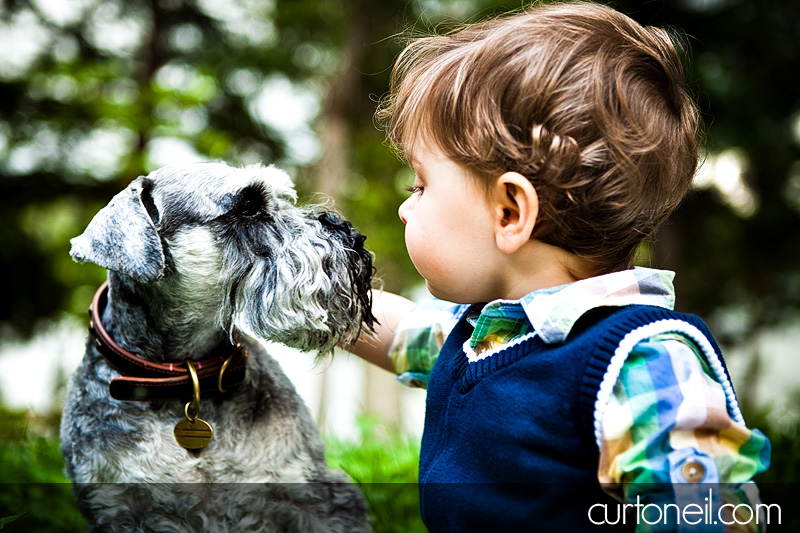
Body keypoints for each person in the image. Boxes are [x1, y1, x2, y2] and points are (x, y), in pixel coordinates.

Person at [344, 2, 771, 531]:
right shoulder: (490, 338)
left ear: (510, 211)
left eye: (421, 184)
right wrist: (286, 285)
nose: (407, 206)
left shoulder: (643, 363)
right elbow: (400, 332)